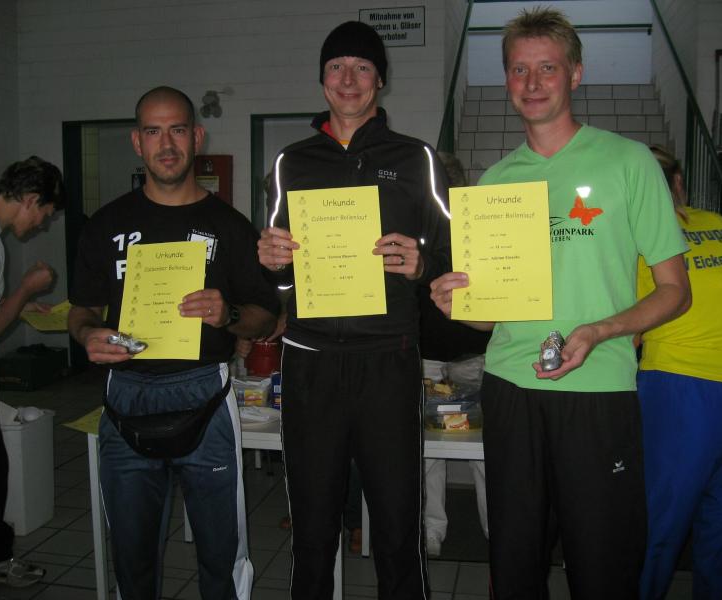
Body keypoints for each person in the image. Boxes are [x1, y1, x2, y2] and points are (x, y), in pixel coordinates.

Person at [429, 8, 691, 598]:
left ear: (575, 73)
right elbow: (490, 317)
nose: (532, 82)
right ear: (506, 79)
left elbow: (676, 291)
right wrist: (455, 300)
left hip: (597, 391)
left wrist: (600, 330)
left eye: (547, 68)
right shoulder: (495, 182)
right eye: (519, 69)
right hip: (510, 388)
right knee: (515, 563)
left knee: (602, 564)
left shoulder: (628, 162)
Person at [257, 21, 451, 599]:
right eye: (336, 67)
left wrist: (421, 264)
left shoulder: (417, 158)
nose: (348, 79)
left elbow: (451, 256)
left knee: (396, 522)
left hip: (388, 358)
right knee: (313, 524)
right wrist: (271, 262)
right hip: (309, 360)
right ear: (322, 79)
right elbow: (279, 276)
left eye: (362, 67)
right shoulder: (290, 163)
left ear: (380, 80)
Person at [67, 86, 278, 600]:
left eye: (178, 129)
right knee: (132, 559)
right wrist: (87, 333)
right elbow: (82, 310)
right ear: (137, 141)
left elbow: (264, 316)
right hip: (126, 394)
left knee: (221, 556)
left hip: (205, 393)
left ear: (197, 137)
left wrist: (228, 314)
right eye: (154, 131)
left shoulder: (230, 227)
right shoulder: (105, 225)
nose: (166, 144)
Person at [637, 146, 722, 600]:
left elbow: (630, 332)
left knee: (655, 528)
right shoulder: (717, 224)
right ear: (678, 184)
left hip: (684, 390)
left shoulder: (634, 235)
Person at [0, 157, 63, 590]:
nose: (41, 224)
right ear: (31, 199)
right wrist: (25, 290)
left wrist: (16, 306)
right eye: (45, 214)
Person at [421, 152, 490, 558]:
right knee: (430, 449)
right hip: (430, 353)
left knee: (482, 448)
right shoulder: (414, 227)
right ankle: (434, 530)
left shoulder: (476, 226)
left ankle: (492, 530)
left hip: (471, 352)